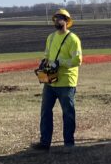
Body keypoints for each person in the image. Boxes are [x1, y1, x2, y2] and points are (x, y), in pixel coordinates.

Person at [31, 8, 83, 152]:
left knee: (68, 113)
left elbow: (77, 60)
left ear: (66, 21)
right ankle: (45, 143)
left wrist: (60, 62)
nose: (57, 20)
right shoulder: (51, 37)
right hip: (51, 81)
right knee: (45, 111)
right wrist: (43, 63)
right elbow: (47, 55)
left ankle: (69, 143)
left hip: (66, 82)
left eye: (60, 18)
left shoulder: (73, 39)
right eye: (55, 18)